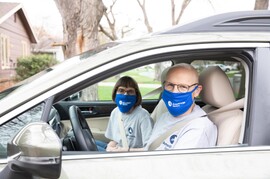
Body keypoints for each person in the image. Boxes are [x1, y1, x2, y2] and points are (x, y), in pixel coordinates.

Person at [145, 63, 217, 150]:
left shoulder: (199, 127)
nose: (174, 92)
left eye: (183, 87)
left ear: (197, 91)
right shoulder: (165, 116)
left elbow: (177, 163)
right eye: (170, 85)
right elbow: (149, 149)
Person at [102, 76, 153, 152]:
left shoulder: (143, 116)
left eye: (130, 91)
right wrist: (109, 147)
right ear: (115, 93)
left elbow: (150, 149)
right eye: (121, 90)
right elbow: (115, 140)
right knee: (91, 144)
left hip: (131, 156)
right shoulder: (115, 112)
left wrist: (127, 150)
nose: (125, 94)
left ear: (136, 95)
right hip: (117, 150)